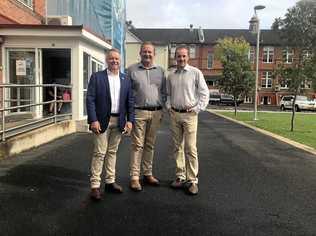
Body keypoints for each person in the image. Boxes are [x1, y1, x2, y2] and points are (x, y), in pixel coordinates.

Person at [86, 48, 134, 201]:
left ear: (120, 61)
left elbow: (130, 102)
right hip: (101, 121)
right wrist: (93, 119)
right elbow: (90, 99)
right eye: (111, 58)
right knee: (100, 153)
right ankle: (95, 186)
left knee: (112, 152)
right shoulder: (97, 77)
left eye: (117, 59)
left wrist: (130, 120)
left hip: (119, 121)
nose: (114, 61)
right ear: (106, 60)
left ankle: (110, 182)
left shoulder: (125, 79)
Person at [166, 45, 209, 195]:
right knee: (177, 147)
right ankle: (180, 176)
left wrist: (197, 109)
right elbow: (168, 94)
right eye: (179, 56)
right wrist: (169, 106)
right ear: (175, 57)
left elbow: (204, 93)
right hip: (175, 114)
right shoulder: (171, 75)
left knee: (190, 148)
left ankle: (192, 180)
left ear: (188, 57)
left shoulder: (195, 73)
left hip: (190, 115)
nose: (181, 59)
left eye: (184, 56)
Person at [127, 42, 166, 191]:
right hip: (138, 112)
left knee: (150, 145)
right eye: (144, 52)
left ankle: (147, 173)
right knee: (137, 145)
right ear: (140, 53)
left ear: (154, 54)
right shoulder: (131, 70)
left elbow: (164, 92)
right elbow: (127, 93)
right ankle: (135, 177)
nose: (147, 54)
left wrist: (162, 110)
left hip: (156, 112)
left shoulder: (161, 71)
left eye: (150, 52)